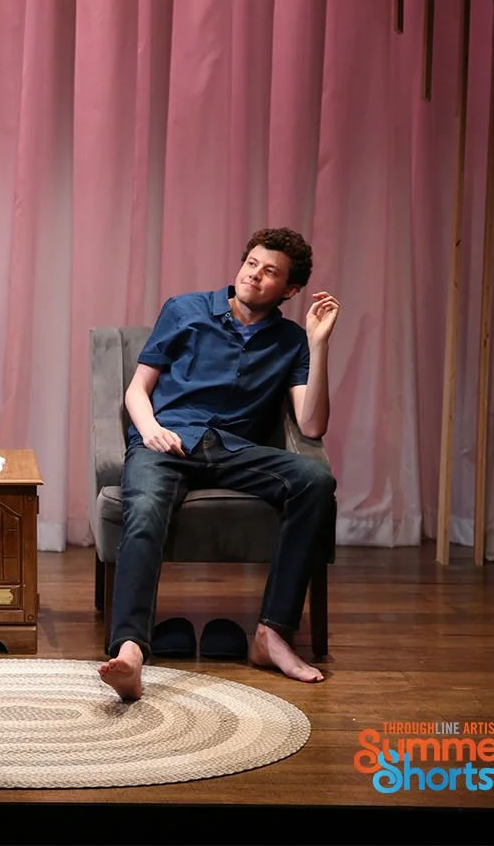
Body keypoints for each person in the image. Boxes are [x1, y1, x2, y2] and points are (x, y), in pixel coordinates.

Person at [100, 228, 340, 701]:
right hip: (166, 442)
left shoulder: (291, 340)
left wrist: (319, 345)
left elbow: (312, 425)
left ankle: (271, 634)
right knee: (143, 510)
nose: (254, 275)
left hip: (232, 450)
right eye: (251, 263)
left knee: (314, 479)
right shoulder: (185, 310)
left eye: (270, 272)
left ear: (290, 289)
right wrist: (149, 429)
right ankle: (130, 649)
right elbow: (137, 389)